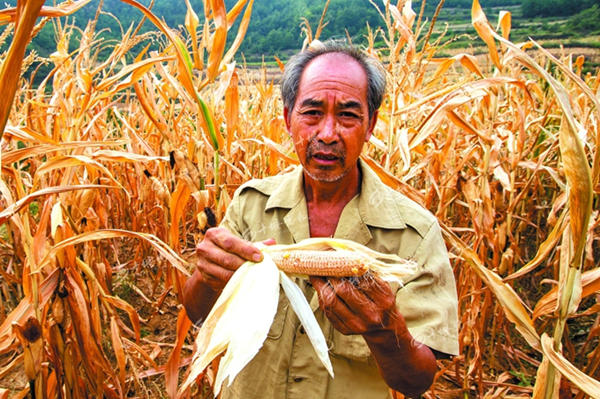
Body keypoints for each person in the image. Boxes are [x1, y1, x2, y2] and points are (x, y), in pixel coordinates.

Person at [183, 42, 459, 398]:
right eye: (312, 113)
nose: (328, 134)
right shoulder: (251, 205)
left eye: (347, 115)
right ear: (287, 118)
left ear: (371, 124)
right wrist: (207, 278)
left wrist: (385, 332)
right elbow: (199, 312)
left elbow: (416, 381)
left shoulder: (413, 235)